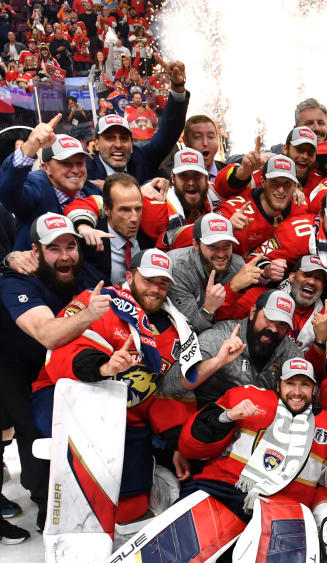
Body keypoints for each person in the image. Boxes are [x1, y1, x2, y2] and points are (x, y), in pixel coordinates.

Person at [31, 248, 213, 529]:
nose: (155, 289)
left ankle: (146, 473)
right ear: (129, 276)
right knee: (81, 508)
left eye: (162, 283)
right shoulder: (100, 302)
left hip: (127, 412)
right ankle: (57, 500)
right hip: (67, 395)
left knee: (131, 512)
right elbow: (62, 353)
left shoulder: (177, 329)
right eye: (147, 280)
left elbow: (164, 391)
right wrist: (104, 367)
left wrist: (179, 442)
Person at [178, 357, 327, 563]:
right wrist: (227, 416)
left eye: (305, 384)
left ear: (314, 389)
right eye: (290, 383)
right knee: (183, 560)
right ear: (279, 384)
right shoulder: (247, 398)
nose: (297, 392)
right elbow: (190, 446)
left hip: (282, 508)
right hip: (222, 491)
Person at [0, 213, 103, 534]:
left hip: (53, 365)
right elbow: (47, 333)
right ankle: (47, 504)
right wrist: (90, 314)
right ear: (36, 251)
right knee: (28, 429)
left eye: (70, 246)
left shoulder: (88, 274)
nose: (64, 255)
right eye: (53, 248)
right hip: (11, 363)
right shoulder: (16, 278)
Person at [191, 288, 305, 406]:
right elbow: (183, 381)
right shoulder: (220, 337)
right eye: (269, 319)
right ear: (253, 312)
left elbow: (304, 398)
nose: (274, 329)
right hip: (210, 415)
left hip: (261, 418)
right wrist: (217, 361)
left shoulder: (292, 354)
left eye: (282, 324)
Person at [0, 117, 101, 249]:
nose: (76, 170)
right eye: (66, 163)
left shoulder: (94, 192)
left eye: (79, 163)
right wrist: (30, 146)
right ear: (46, 168)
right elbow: (8, 191)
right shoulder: (35, 189)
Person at [85, 59, 188, 183]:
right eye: (110, 138)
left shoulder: (140, 159)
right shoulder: (84, 170)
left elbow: (169, 132)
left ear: (131, 144)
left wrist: (177, 88)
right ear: (96, 144)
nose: (118, 145)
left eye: (124, 138)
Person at [166, 213, 262, 333]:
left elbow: (227, 319)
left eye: (227, 245)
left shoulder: (237, 266)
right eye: (212, 246)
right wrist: (230, 290)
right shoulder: (176, 267)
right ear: (195, 244)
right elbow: (190, 328)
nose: (221, 254)